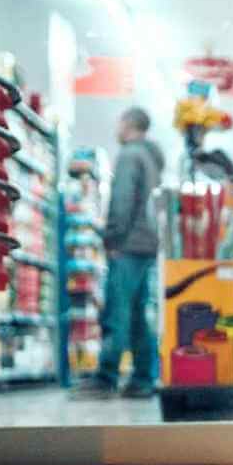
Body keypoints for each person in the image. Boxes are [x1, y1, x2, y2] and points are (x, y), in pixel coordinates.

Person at [75, 107, 164, 398]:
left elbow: (123, 201)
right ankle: (142, 379)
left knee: (117, 312)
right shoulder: (151, 158)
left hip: (127, 245)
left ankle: (106, 377)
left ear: (127, 124)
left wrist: (112, 238)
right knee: (139, 314)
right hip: (146, 244)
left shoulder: (129, 155)